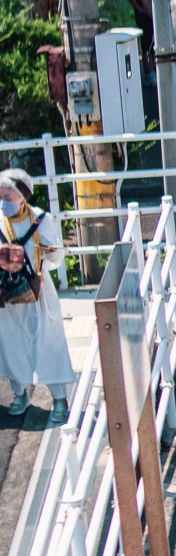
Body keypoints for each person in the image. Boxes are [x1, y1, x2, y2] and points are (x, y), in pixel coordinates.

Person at [0, 169, 73, 421]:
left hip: (38, 290)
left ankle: (59, 399)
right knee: (11, 344)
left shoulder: (41, 219)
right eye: (0, 197)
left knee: (49, 343)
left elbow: (56, 259)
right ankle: (19, 394)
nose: (3, 203)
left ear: (23, 197)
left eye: (8, 197)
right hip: (7, 293)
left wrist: (51, 251)